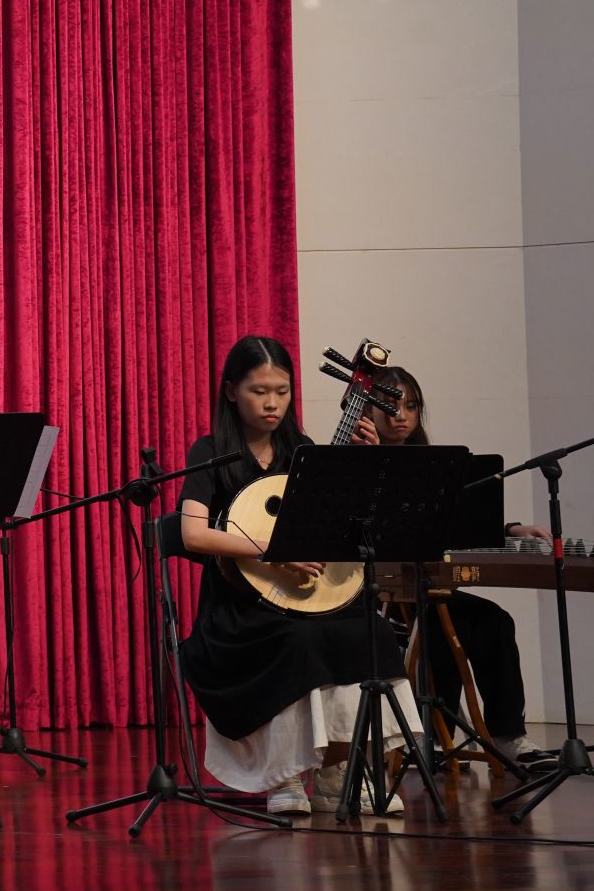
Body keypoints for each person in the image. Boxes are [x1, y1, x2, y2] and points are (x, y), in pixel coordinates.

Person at [175, 334, 413, 816]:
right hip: (240, 606)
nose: (272, 403)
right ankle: (283, 775)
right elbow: (193, 534)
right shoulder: (210, 452)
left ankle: (335, 771)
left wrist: (361, 465)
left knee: (370, 633)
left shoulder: (300, 449)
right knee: (296, 642)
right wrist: (271, 552)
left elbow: (334, 520)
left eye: (282, 391)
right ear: (231, 392)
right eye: (259, 391)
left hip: (305, 596)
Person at [372, 365, 556, 770]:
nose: (401, 415)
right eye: (390, 405)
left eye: (411, 406)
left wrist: (510, 530)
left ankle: (508, 736)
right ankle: (432, 737)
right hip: (380, 594)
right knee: (438, 625)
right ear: (368, 409)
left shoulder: (435, 464)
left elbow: (461, 521)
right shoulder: (358, 461)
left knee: (495, 622)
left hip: (427, 587)